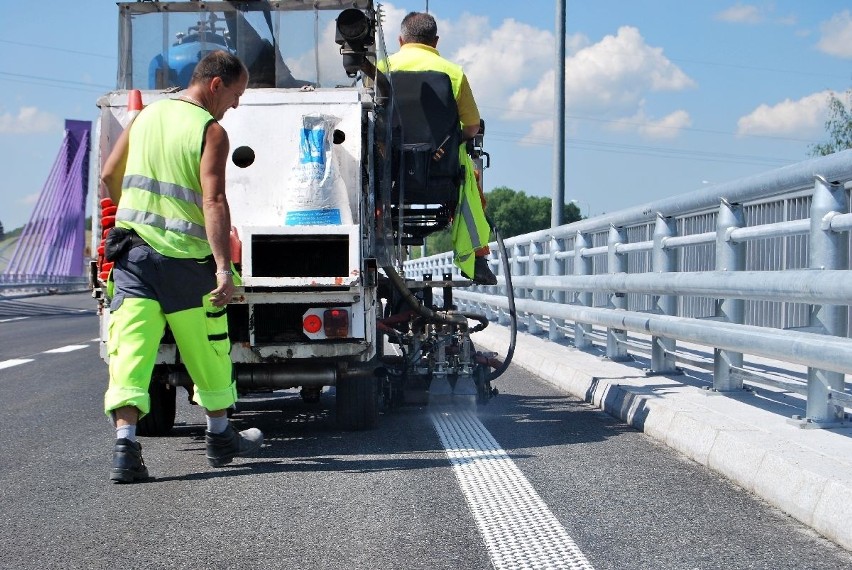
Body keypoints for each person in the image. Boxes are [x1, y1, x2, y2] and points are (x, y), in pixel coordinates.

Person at [100, 50, 263, 483]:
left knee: (130, 351)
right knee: (208, 346)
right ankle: (219, 435)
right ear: (215, 85)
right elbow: (213, 201)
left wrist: (132, 212)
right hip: (186, 263)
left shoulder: (147, 116)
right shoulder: (210, 131)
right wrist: (224, 269)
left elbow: (110, 174)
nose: (236, 104)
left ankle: (125, 450)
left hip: (133, 257)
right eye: (235, 94)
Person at [386, 12, 498, 285]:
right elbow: (471, 128)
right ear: (435, 41)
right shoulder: (453, 72)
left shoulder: (379, 68)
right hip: (441, 176)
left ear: (401, 40)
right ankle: (476, 258)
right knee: (470, 179)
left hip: (387, 176)